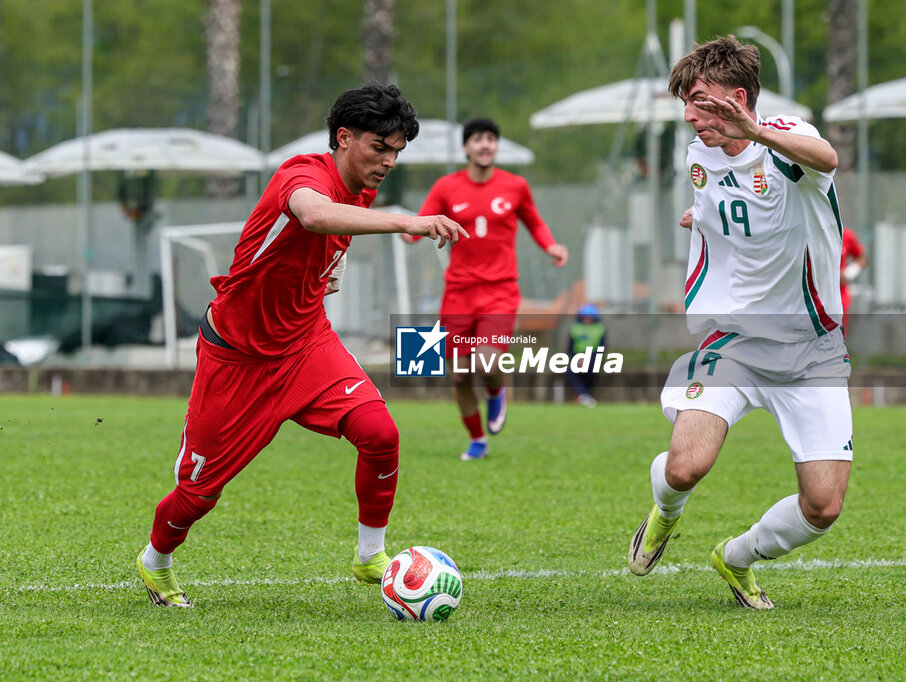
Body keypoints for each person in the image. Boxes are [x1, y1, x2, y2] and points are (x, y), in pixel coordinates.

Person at [135, 83, 466, 607]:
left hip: (307, 343)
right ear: (344, 138)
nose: (389, 161)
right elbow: (312, 214)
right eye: (380, 147)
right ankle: (156, 562)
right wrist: (410, 221)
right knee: (198, 495)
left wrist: (319, 277)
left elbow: (321, 242)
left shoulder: (362, 187)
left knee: (380, 432)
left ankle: (369, 556)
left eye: (398, 151)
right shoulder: (303, 173)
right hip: (237, 356)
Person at [627, 36, 853, 609]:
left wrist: (754, 134)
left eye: (700, 102)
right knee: (684, 467)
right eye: (685, 102)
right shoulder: (698, 152)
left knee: (823, 507)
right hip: (735, 340)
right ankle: (665, 514)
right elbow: (726, 208)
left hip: (812, 349)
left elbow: (827, 160)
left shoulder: (783, 141)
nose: (689, 116)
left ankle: (736, 557)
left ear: (739, 98)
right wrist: (699, 219)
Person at [415, 118, 568, 460]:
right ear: (466, 147)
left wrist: (551, 247)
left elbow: (534, 222)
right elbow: (423, 221)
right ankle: (477, 439)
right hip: (458, 293)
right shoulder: (446, 187)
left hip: (499, 290)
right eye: (478, 140)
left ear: (496, 146)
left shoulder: (515, 186)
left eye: (491, 139)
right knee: (458, 376)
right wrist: (409, 231)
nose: (485, 145)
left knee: (486, 362)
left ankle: (497, 392)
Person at [566, 303, 607, 406]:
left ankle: (584, 396)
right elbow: (570, 347)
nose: (587, 320)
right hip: (577, 356)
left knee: (590, 370)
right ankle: (584, 395)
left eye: (589, 318)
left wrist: (589, 359)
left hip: (593, 357)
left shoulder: (599, 329)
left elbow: (602, 347)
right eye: (585, 318)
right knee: (571, 372)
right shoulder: (575, 328)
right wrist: (577, 359)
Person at [840, 227, 868, 336]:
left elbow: (862, 259)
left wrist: (848, 274)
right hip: (813, 298)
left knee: (838, 339)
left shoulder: (846, 235)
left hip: (839, 298)